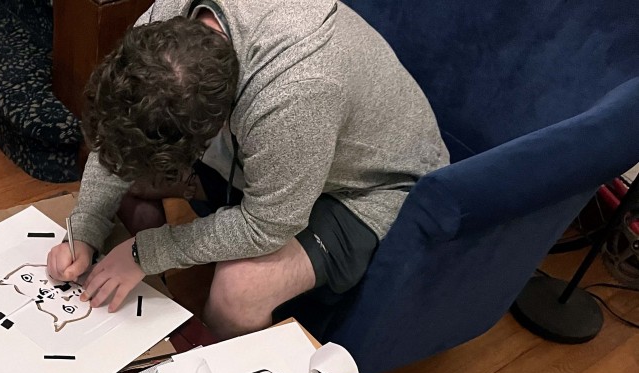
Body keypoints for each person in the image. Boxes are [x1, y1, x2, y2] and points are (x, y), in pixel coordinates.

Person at [47, 0, 450, 338]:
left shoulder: (293, 96)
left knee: (239, 290)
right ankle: (152, 304)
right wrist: (85, 227)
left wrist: (144, 253)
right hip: (286, 152)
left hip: (372, 186)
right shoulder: (166, 21)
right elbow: (119, 139)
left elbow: (267, 225)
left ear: (217, 127)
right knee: (134, 174)